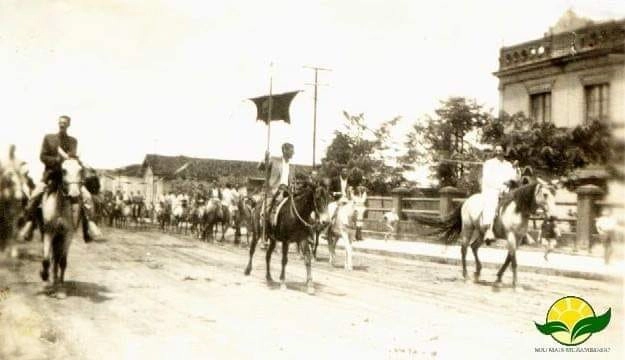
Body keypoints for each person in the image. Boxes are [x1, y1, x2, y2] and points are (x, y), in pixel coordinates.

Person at [19, 115, 101, 242]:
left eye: (65, 123)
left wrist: (75, 160)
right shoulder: (49, 138)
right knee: (35, 195)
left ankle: (90, 226)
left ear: (68, 125)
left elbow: (72, 156)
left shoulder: (73, 141)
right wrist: (56, 160)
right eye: (60, 122)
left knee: (87, 197)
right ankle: (29, 224)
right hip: (51, 176)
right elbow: (43, 156)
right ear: (58, 124)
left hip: (69, 178)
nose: (62, 125)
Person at [481, 145, 517, 244]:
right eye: (496, 150)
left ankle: (518, 230)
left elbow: (513, 177)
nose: (498, 152)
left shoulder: (508, 164)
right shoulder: (489, 163)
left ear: (504, 152)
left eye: (500, 151)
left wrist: (515, 169)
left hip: (506, 189)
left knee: (517, 203)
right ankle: (489, 230)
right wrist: (499, 187)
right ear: (494, 152)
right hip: (492, 188)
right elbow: (487, 178)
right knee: (492, 203)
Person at [258, 142, 294, 225]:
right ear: (285, 150)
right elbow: (261, 167)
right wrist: (265, 159)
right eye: (291, 151)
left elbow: (291, 180)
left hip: (287, 191)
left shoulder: (292, 166)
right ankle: (264, 226)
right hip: (274, 190)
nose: (293, 153)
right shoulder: (274, 160)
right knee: (266, 210)